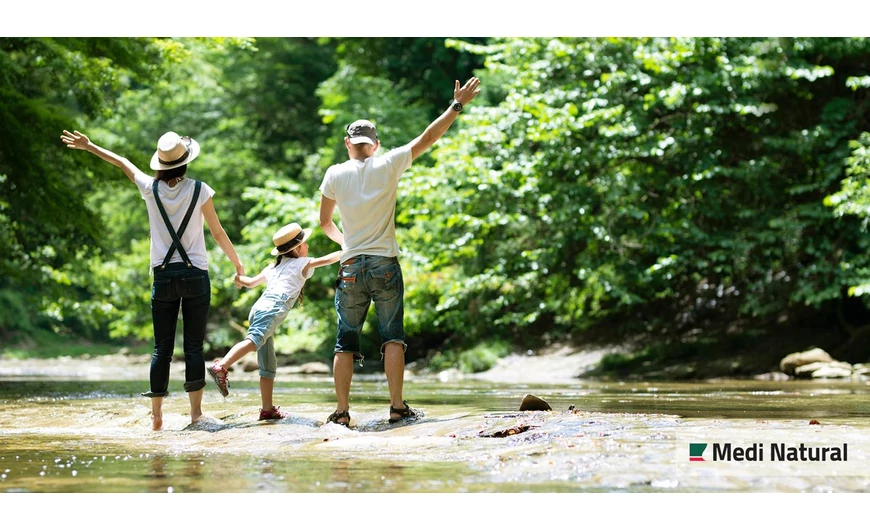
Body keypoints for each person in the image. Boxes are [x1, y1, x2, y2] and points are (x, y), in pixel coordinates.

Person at [318, 77, 482, 426]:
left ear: (349, 144)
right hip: (385, 264)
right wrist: (457, 105)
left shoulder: (334, 173)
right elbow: (428, 138)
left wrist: (345, 244)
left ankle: (342, 412)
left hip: (350, 267)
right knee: (393, 337)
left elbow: (324, 223)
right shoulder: (390, 163)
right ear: (374, 145)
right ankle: (396, 407)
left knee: (345, 341)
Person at [60, 130, 246, 431]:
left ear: (159, 164)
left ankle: (157, 416)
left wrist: (89, 146)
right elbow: (217, 232)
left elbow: (122, 162)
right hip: (195, 273)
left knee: (162, 348)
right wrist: (238, 265)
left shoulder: (150, 188)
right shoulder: (200, 190)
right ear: (185, 162)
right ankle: (196, 414)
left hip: (163, 275)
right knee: (194, 347)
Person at [207, 223, 341, 420]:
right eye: (305, 244)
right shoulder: (301, 263)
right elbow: (327, 259)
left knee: (267, 364)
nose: (308, 247)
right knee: (254, 340)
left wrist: (239, 279)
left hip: (258, 308)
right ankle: (222, 366)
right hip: (272, 309)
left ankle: (267, 409)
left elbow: (250, 282)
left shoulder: (273, 267)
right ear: (296, 249)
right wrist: (348, 249)